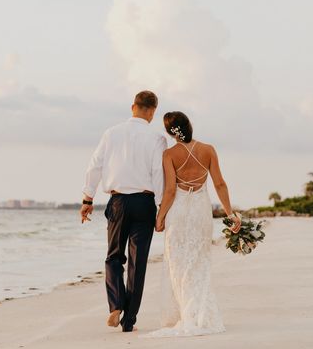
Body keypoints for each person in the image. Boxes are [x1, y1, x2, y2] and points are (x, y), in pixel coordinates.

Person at [143, 110, 240, 338]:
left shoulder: (169, 154)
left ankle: (185, 315)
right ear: (189, 125)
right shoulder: (208, 150)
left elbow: (169, 191)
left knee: (178, 264)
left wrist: (159, 218)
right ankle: (200, 314)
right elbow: (220, 184)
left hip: (178, 212)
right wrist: (230, 214)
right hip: (200, 211)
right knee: (199, 262)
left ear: (170, 132)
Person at [80, 90, 167, 332]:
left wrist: (88, 199)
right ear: (152, 111)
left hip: (118, 202)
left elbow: (95, 166)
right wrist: (161, 209)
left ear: (133, 107)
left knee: (114, 257)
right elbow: (159, 175)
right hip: (144, 203)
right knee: (138, 264)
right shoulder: (157, 138)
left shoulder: (111, 133)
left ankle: (115, 305)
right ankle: (129, 320)